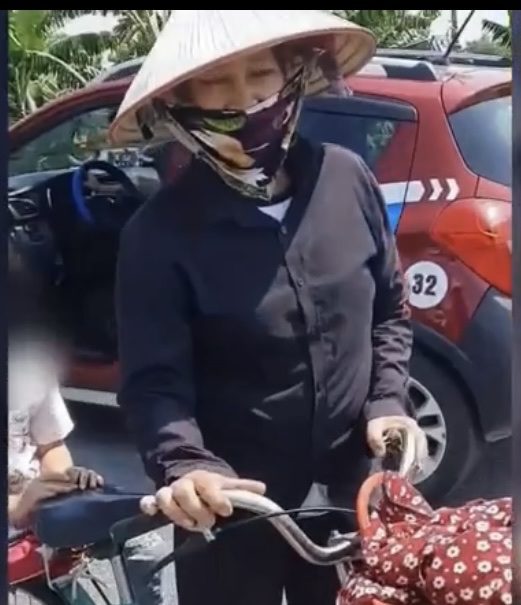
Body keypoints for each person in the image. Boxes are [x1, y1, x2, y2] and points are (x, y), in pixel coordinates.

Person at [112, 10, 428, 605]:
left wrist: (389, 402)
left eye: (260, 74)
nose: (244, 99)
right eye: (215, 82)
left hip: (351, 497)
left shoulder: (347, 179)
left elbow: (389, 307)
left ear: (293, 74)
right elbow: (155, 386)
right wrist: (186, 465)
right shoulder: (157, 235)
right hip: (231, 511)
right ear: (181, 103)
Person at [7, 242, 168, 605]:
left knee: (144, 546)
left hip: (39, 516)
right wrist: (17, 506)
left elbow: (51, 445)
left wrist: (64, 478)